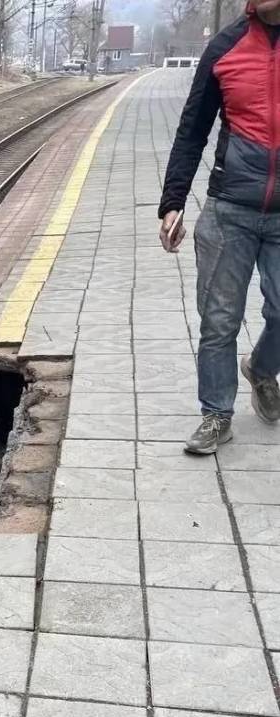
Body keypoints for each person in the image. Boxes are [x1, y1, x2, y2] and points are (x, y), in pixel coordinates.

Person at [159, 0, 280, 453]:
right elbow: (192, 130)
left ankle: (263, 369)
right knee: (219, 320)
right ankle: (216, 414)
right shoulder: (225, 48)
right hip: (230, 208)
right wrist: (172, 203)